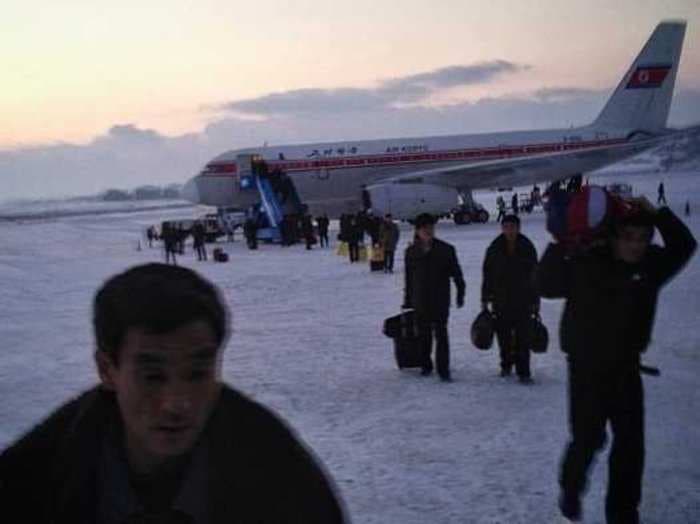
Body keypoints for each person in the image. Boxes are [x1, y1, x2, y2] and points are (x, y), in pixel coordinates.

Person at [0, 264, 347, 523]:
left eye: (197, 373)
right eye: (152, 376)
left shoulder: (283, 479)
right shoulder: (31, 483)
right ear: (107, 369)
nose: (177, 403)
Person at [536, 197, 696, 524]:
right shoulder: (588, 261)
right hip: (586, 369)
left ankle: (623, 514)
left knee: (630, 447)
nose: (636, 246)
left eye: (643, 238)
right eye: (629, 237)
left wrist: (658, 213)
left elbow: (685, 245)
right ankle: (571, 487)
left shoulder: (650, 266)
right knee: (589, 437)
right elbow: (544, 284)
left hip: (626, 369)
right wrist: (560, 243)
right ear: (613, 237)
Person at [403, 213, 466, 382]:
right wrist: (407, 300)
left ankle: (443, 369)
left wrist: (461, 292)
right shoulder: (411, 252)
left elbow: (457, 274)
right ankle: (426, 365)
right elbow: (409, 279)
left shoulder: (446, 250)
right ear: (417, 231)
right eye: (424, 229)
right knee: (424, 335)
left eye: (431, 228)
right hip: (420, 300)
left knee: (441, 335)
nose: (428, 231)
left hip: (440, 299)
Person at [481, 214, 539, 383]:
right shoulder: (494, 247)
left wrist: (535, 301)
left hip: (523, 300)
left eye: (513, 227)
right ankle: (506, 365)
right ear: (502, 228)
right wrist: (485, 298)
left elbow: (535, 276)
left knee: (523, 338)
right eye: (506, 227)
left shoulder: (527, 247)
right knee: (503, 337)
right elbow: (487, 274)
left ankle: (524, 371)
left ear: (518, 228)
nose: (510, 230)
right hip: (501, 300)